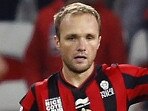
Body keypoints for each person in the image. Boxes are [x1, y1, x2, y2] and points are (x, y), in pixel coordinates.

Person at [20, 3, 148, 111]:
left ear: (98, 41)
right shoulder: (38, 95)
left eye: (89, 37)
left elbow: (118, 59)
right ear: (57, 42)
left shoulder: (121, 79)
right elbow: (32, 62)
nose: (81, 46)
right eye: (72, 38)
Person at [23, 0, 127, 86]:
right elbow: (32, 62)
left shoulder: (109, 21)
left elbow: (117, 67)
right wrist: (39, 93)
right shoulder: (46, 18)